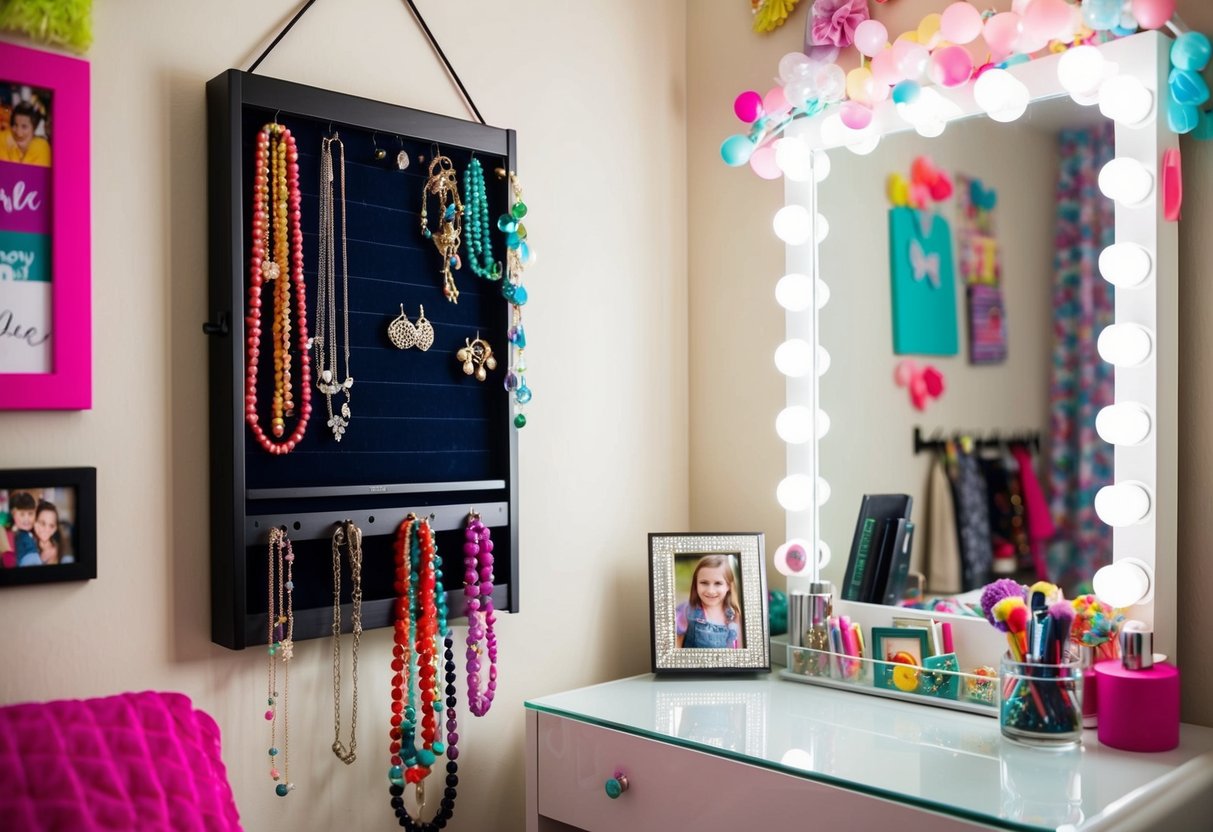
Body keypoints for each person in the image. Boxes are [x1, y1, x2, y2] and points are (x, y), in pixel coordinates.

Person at [675, 555, 744, 648]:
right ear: (696, 584)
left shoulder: (736, 616)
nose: (710, 591)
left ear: (728, 586)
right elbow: (675, 649)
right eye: (704, 583)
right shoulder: (686, 610)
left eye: (718, 583)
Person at [1, 101, 51, 167]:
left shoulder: (42, 147)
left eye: (24, 127)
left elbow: (27, 175)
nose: (19, 133)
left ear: (35, 129)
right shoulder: (3, 138)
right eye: (15, 125)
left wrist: (13, 150)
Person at [8, 491, 40, 567]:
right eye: (22, 514)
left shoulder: (30, 534)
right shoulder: (20, 536)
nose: (27, 519)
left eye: (30, 513)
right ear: (13, 514)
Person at [32, 500, 63, 565]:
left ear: (55, 529)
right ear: (35, 522)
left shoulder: (53, 551)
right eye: (43, 523)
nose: (47, 529)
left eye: (51, 526)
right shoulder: (28, 541)